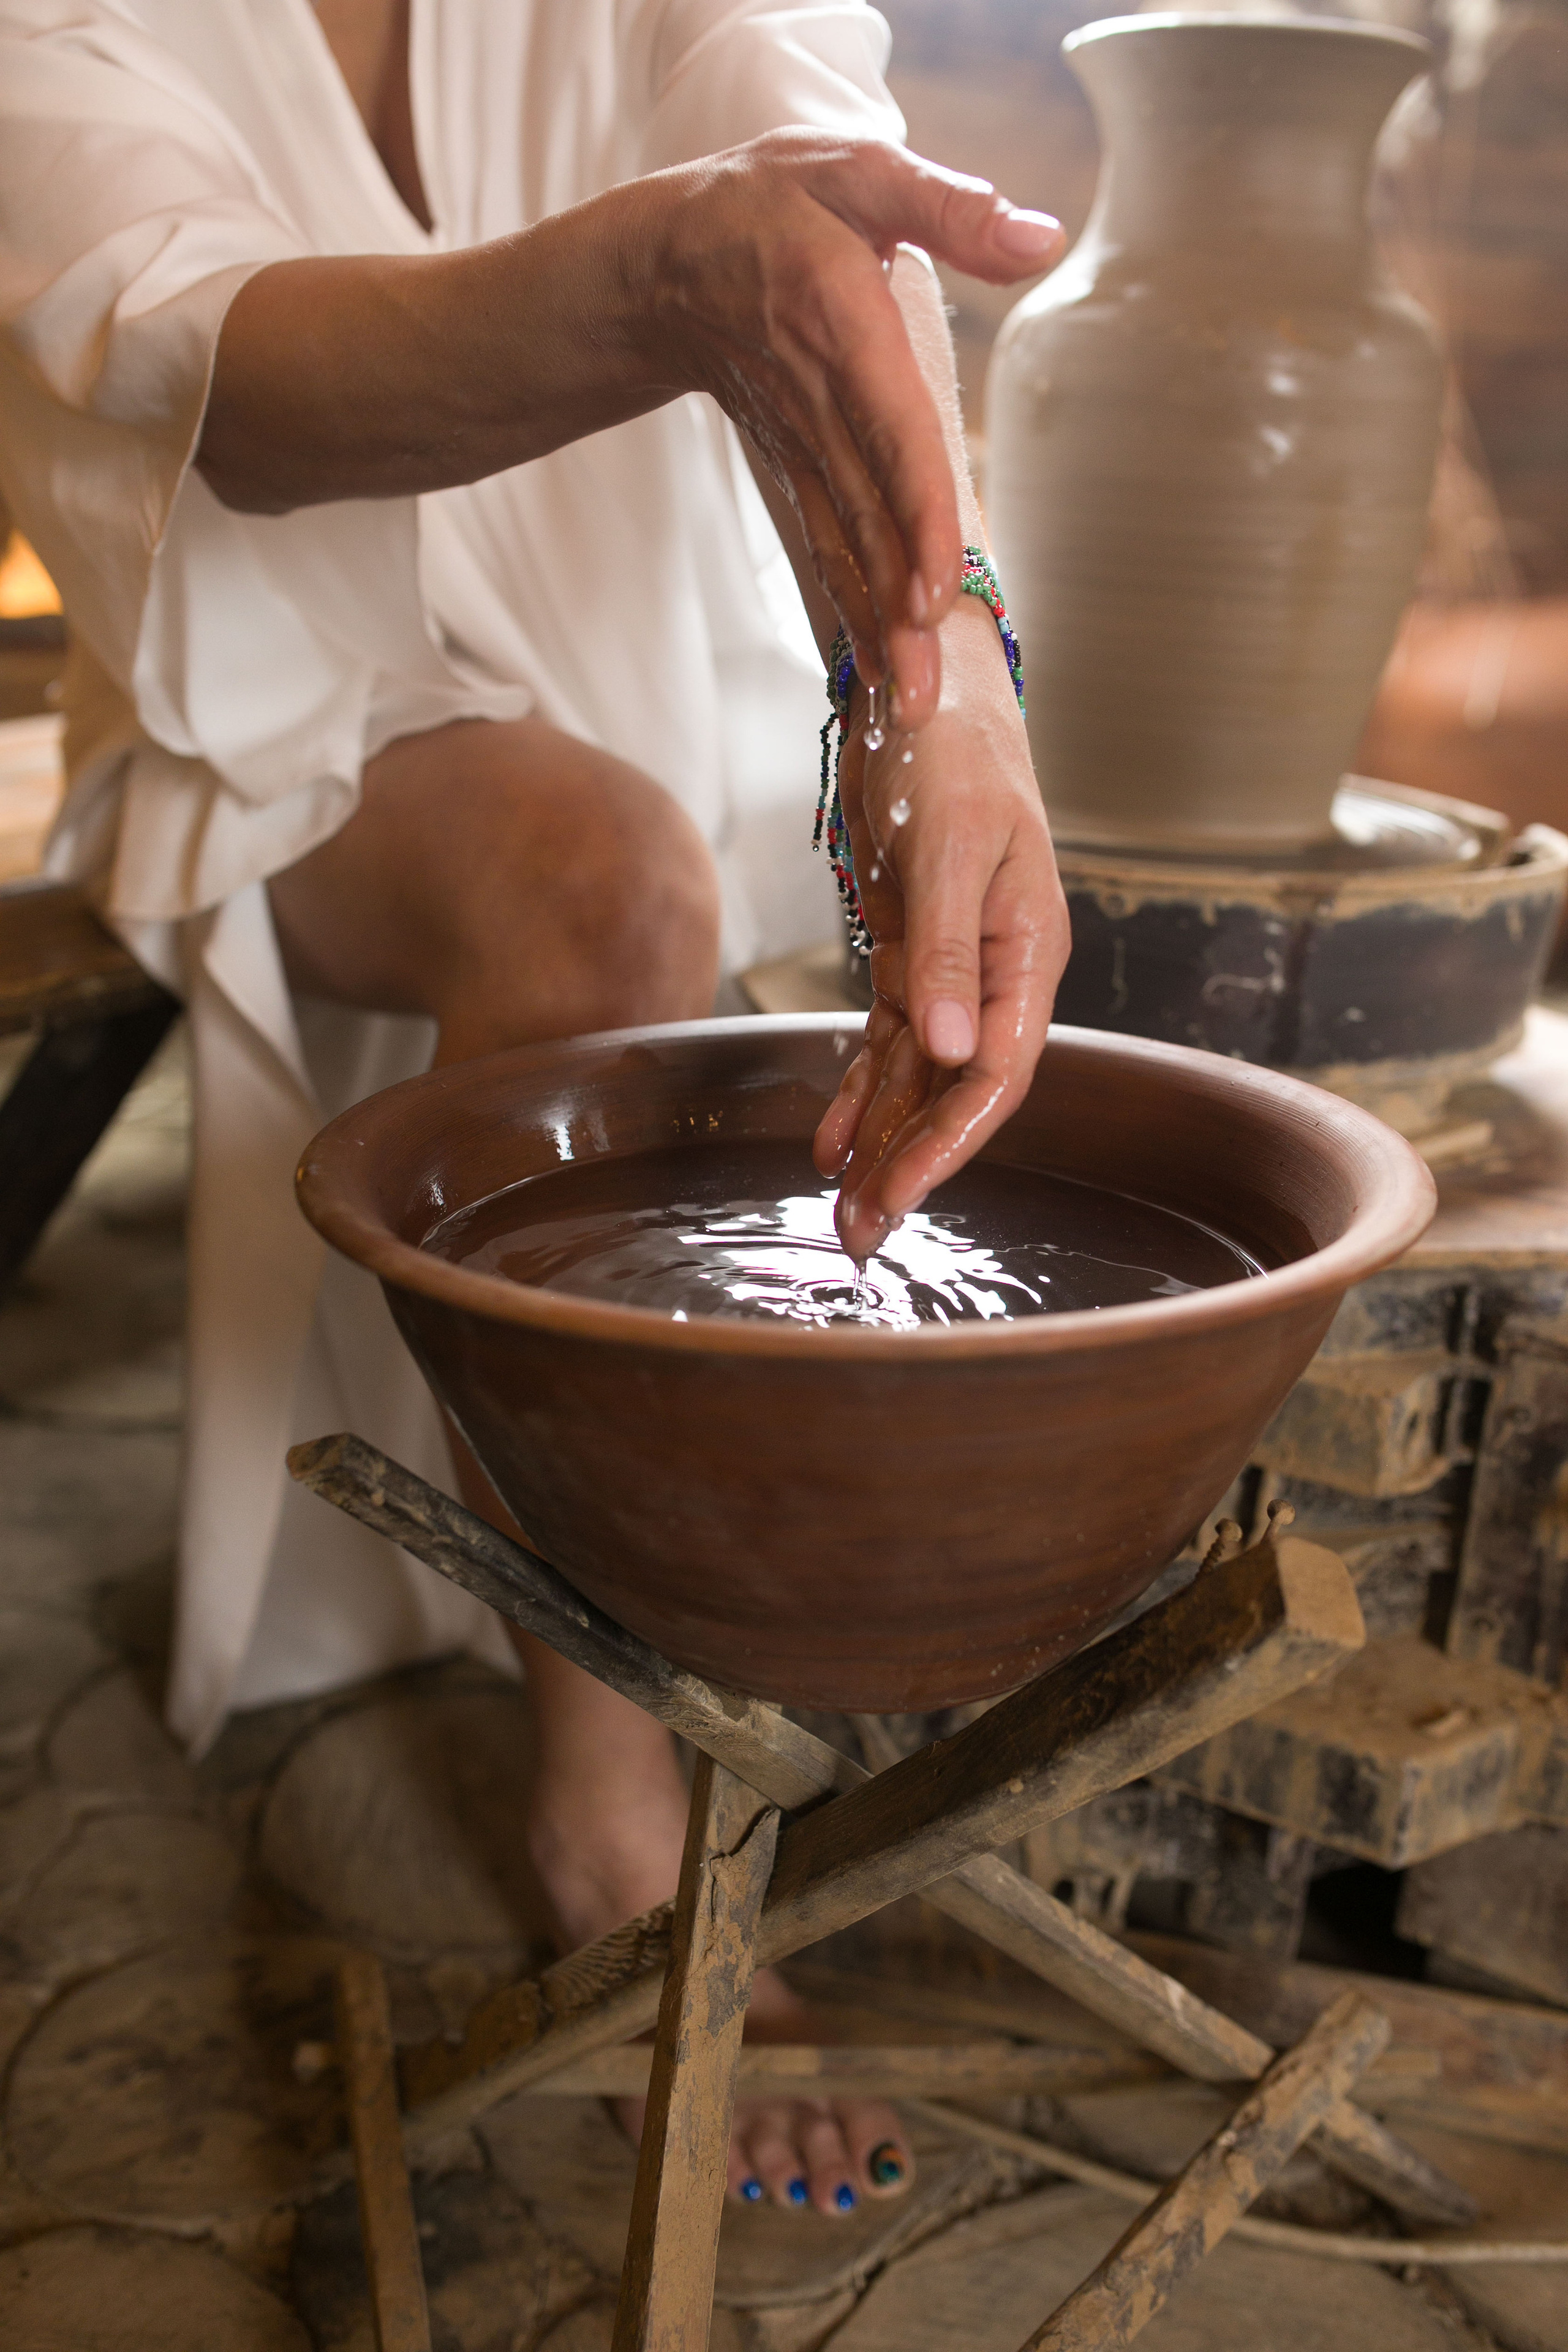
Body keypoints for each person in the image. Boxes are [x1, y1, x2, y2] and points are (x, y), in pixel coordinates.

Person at [0, 0, 1069, 2212]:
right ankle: (606, 1800)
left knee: (802, 871)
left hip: (636, 640)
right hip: (261, 688)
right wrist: (680, 275)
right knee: (610, 891)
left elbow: (805, 150)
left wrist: (947, 681)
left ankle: (765, 1553)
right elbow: (220, 378)